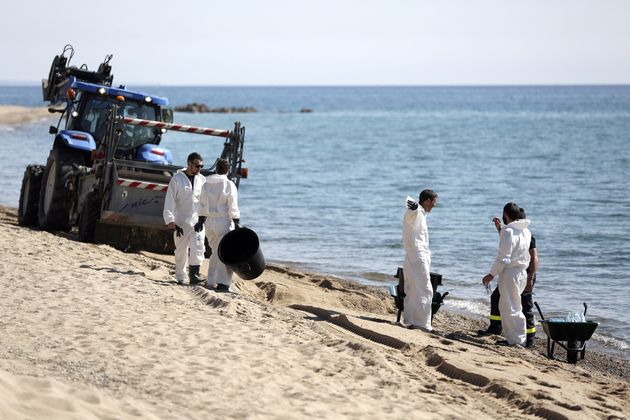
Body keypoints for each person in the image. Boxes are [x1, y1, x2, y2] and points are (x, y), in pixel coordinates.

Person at [478, 208, 539, 347]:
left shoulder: (508, 231)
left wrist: (491, 274)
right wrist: (500, 229)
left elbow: (504, 257)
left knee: (510, 307)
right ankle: (517, 338)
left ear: (506, 215)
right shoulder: (526, 231)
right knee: (514, 306)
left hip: (510, 273)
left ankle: (517, 340)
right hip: (522, 272)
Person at [163, 152, 207, 285]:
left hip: (197, 221)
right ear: (189, 163)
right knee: (181, 250)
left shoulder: (202, 180)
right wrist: (171, 221)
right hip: (181, 221)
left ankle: (194, 276)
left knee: (198, 247)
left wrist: (202, 220)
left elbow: (205, 202)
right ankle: (181, 276)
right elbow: (169, 200)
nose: (200, 169)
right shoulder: (177, 179)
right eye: (197, 166)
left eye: (201, 166)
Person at [199, 159, 240, 292]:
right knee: (226, 253)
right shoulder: (228, 184)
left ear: (216, 169)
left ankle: (211, 281)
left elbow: (202, 204)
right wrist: (236, 221)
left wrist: (200, 220)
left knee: (215, 252)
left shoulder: (206, 184)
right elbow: (232, 205)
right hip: (223, 221)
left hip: (209, 221)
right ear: (227, 170)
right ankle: (224, 284)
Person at [402, 189, 438, 331]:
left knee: (413, 289)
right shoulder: (416, 212)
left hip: (415, 255)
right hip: (417, 255)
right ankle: (423, 324)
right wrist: (416, 206)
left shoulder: (421, 214)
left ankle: (410, 320)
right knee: (426, 289)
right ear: (427, 201)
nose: (435, 205)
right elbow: (409, 204)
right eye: (434, 202)